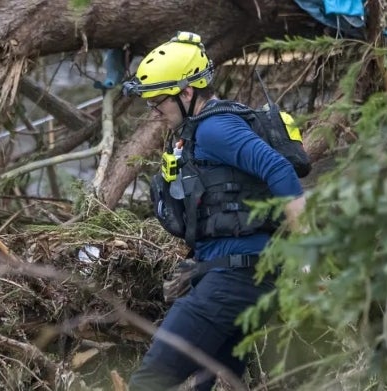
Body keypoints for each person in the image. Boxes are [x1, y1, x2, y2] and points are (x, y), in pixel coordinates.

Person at [121, 31, 307, 390]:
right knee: (216, 383)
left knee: (150, 381)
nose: (154, 111)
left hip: (232, 282)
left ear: (186, 92)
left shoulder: (215, 129)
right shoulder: (199, 132)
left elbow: (279, 169)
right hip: (238, 278)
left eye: (158, 101)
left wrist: (305, 249)